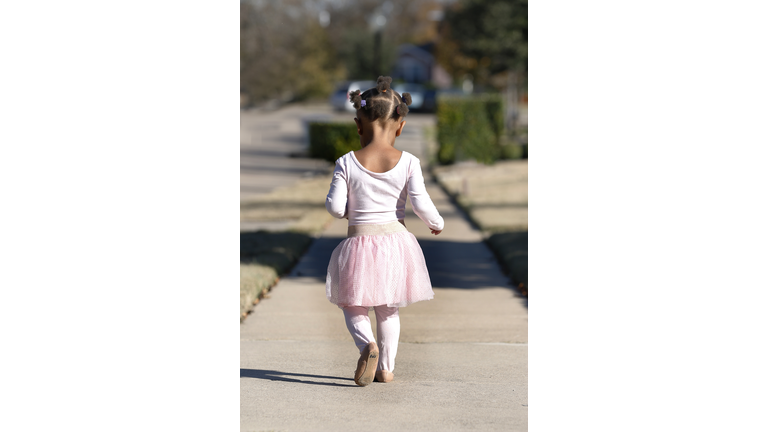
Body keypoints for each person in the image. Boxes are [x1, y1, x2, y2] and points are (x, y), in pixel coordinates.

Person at [325, 76, 444, 387]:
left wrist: (351, 211)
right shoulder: (409, 162)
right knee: (388, 310)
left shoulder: (346, 163)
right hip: (396, 245)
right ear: (400, 126)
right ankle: (386, 369)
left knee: (353, 304)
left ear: (358, 125)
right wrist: (436, 223)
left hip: (359, 244)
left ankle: (367, 345)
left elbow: (336, 208)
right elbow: (421, 202)